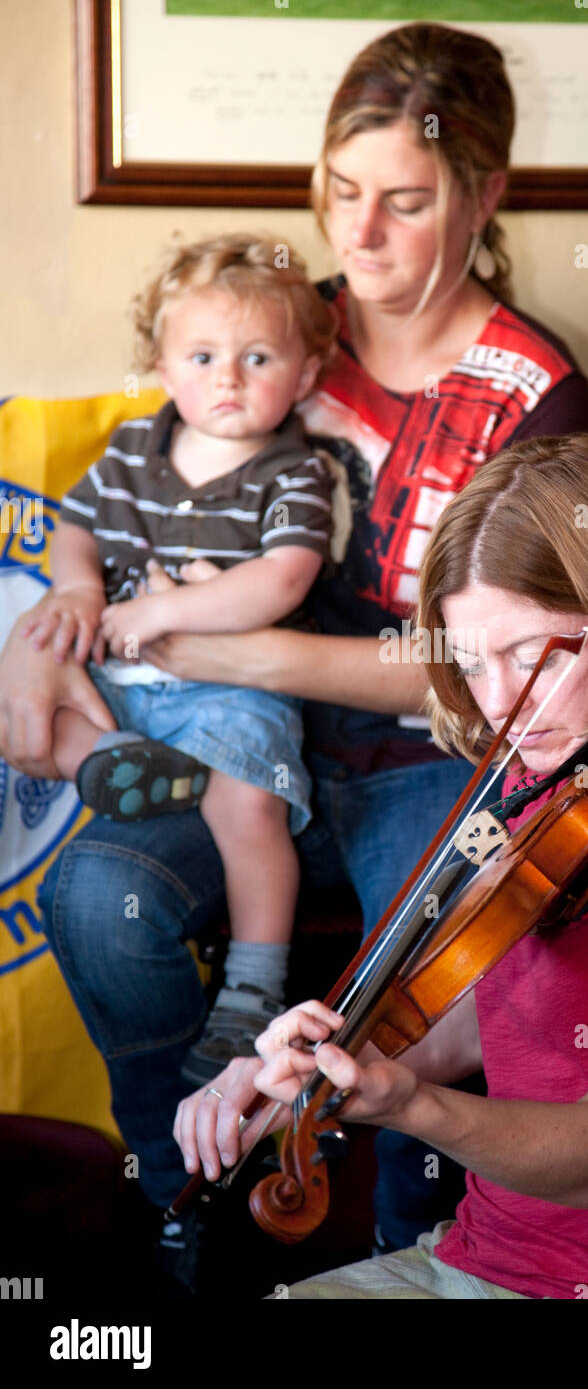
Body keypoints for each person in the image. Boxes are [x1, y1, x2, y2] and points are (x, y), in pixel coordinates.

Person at [0, 22, 588, 1266]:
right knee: (98, 899)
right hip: (228, 753)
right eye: (338, 194)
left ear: (485, 195)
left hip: (422, 758)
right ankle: (185, 1217)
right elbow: (126, 515)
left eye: (406, 203)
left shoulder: (533, 392)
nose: (358, 237)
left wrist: (237, 652)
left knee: (429, 973)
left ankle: (417, 1260)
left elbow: (489, 666)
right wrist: (44, 644)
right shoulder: (273, 331)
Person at [175, 434, 588, 1300]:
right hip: (484, 1254)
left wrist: (410, 1109)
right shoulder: (564, 773)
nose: (497, 705)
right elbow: (483, 1011)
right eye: (468, 662)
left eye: (532, 656)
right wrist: (315, 1076)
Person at [20, 233, 337, 1086]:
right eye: (202, 356)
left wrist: (160, 611)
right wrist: (80, 591)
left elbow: (281, 580)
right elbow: (74, 530)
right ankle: (119, 763)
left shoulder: (293, 471)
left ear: (305, 375)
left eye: (257, 357)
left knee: (249, 808)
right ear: (163, 368)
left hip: (235, 691)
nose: (227, 378)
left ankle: (252, 992)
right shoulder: (133, 450)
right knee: (32, 717)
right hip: (127, 692)